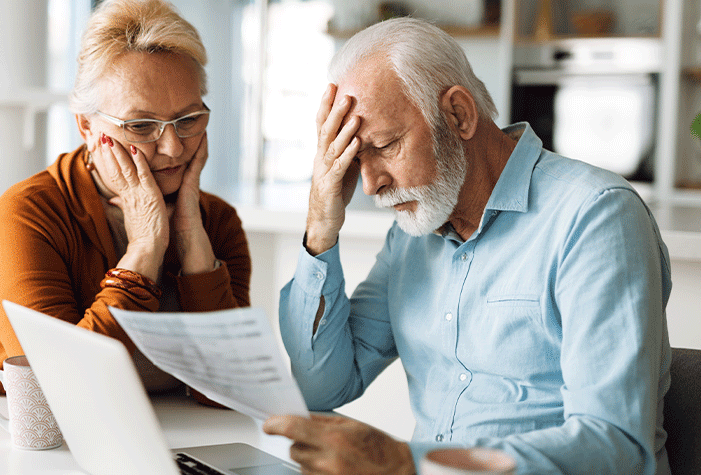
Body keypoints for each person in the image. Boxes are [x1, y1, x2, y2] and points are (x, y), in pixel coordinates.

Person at [262, 17, 672, 475]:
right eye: (356, 159)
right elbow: (320, 388)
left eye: (385, 145)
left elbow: (613, 444)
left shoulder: (595, 217)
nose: (371, 184)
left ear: (458, 114)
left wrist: (405, 462)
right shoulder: (413, 234)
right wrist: (320, 223)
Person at [0, 0, 251, 399]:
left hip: (157, 436)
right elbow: (62, 386)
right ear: (86, 125)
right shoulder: (30, 212)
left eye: (188, 120)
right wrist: (146, 248)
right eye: (141, 125)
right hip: (4, 437)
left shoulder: (217, 222)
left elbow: (231, 390)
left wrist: (192, 243)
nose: (173, 148)